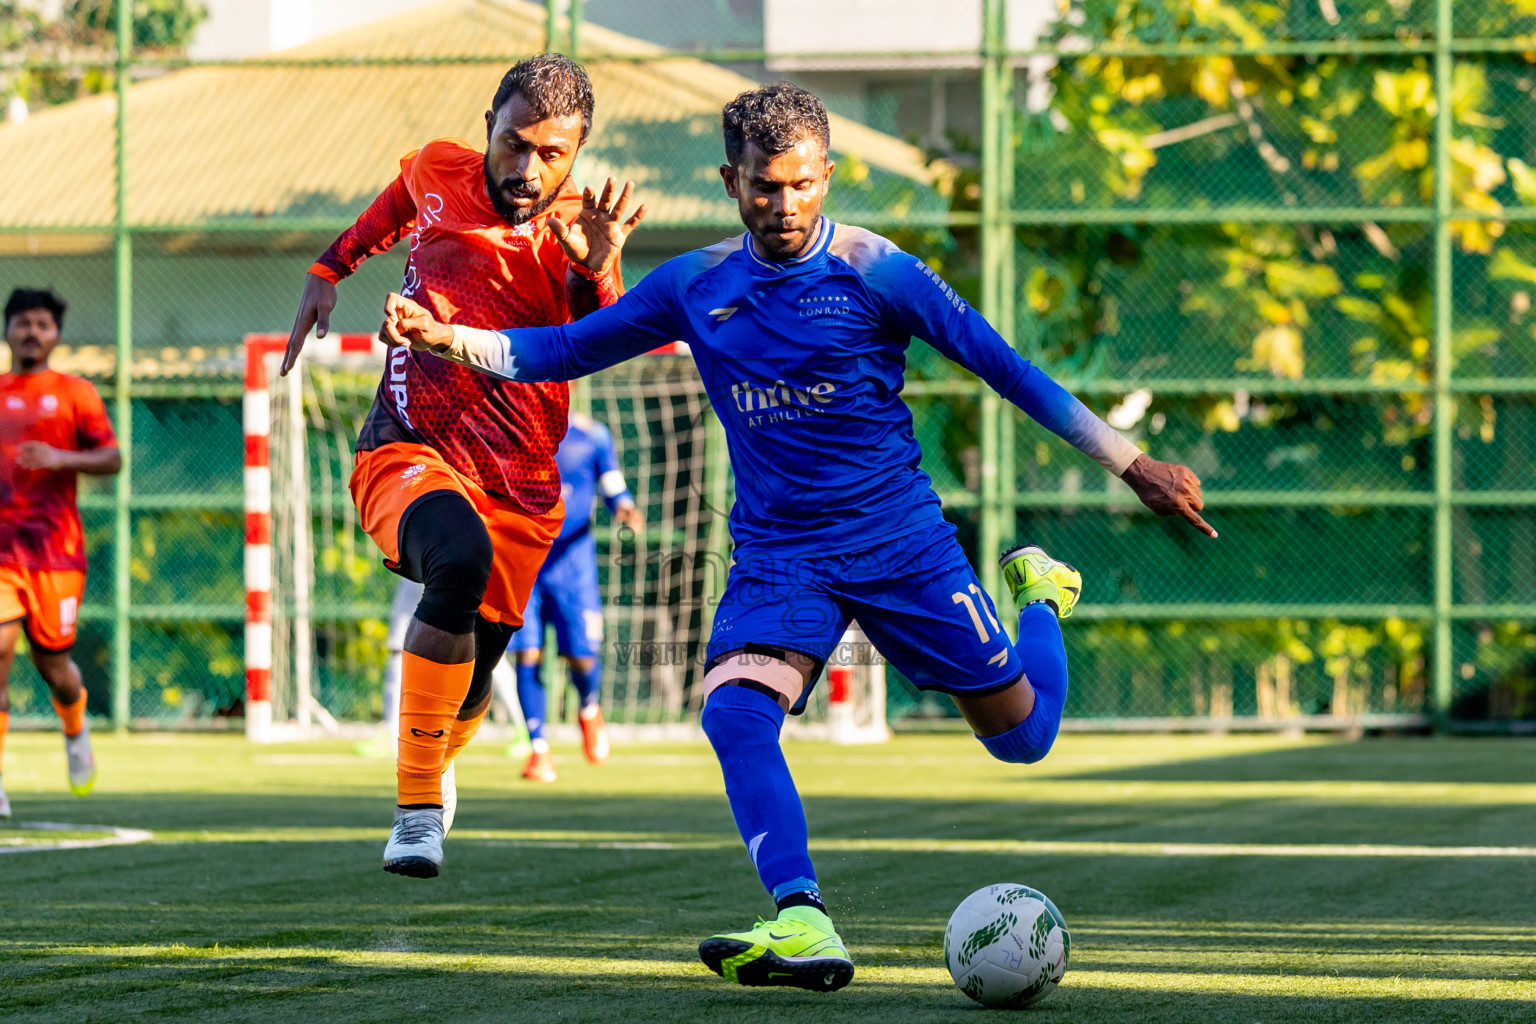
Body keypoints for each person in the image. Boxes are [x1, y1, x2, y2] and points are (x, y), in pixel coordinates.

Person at [379, 83, 1214, 989]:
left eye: (806, 186)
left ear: (829, 176)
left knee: (1023, 740)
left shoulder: (876, 270)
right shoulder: (696, 285)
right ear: (732, 181)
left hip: (901, 545)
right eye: (767, 188)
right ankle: (803, 920)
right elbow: (561, 350)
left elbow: (1008, 372)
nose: (787, 207)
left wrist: (1134, 465)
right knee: (735, 713)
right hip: (781, 556)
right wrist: (448, 337)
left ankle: (1040, 597)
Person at [282, 53, 646, 879]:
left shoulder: (581, 230)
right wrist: (328, 270)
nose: (528, 168)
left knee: (480, 676)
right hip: (406, 444)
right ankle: (415, 811)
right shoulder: (442, 167)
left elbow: (596, 344)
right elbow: (399, 200)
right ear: (489, 127)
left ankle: (439, 757)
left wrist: (597, 270)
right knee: (456, 561)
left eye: (552, 154)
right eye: (515, 144)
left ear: (578, 150)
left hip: (520, 483)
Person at [0, 288, 122, 818]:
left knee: (54, 667)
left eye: (42, 323)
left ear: (56, 334)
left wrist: (58, 457)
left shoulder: (76, 394)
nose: (32, 331)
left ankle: (75, 725)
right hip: (3, 553)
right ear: (7, 330)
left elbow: (112, 457)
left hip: (55, 554)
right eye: (22, 322)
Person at [510, 411, 642, 783]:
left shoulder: (592, 435)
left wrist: (625, 506)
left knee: (581, 658)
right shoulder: (513, 427)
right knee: (528, 652)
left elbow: (613, 484)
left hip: (574, 569)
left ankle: (588, 706)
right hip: (525, 563)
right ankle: (538, 748)